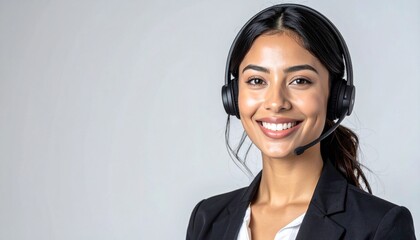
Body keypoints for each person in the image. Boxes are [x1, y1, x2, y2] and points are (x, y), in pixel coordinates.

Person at [186, 4, 416, 240]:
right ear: (233, 97)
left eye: (300, 81)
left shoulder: (380, 225)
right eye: (256, 80)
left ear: (337, 97)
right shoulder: (206, 219)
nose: (276, 102)